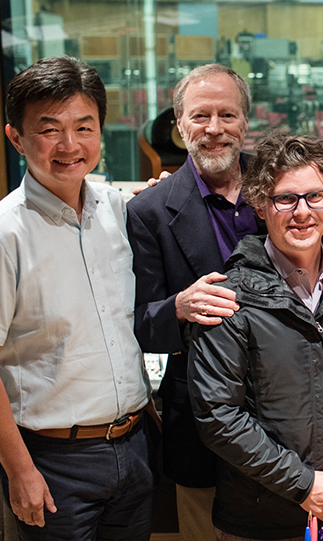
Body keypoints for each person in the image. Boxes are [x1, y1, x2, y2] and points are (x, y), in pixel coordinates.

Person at [0, 56, 154, 540]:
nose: (70, 146)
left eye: (83, 127)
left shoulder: (116, 208)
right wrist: (21, 471)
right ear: (16, 138)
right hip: (53, 462)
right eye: (49, 129)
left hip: (133, 448)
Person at [188, 131, 323, 540]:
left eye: (315, 196)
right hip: (260, 521)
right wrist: (305, 484)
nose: (302, 212)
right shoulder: (227, 295)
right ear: (260, 205)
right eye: (285, 199)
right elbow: (218, 416)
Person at [126, 63, 260, 540]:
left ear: (245, 123)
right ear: (180, 126)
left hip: (286, 421)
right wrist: (177, 307)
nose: (214, 129)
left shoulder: (281, 193)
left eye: (227, 115)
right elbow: (138, 323)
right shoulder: (147, 211)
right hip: (199, 421)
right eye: (200, 116)